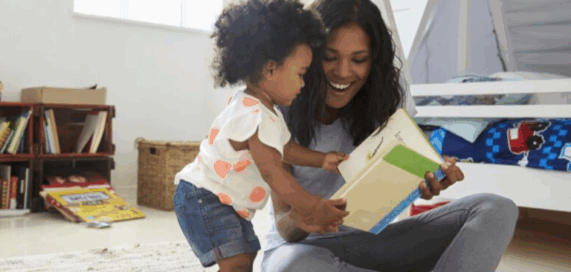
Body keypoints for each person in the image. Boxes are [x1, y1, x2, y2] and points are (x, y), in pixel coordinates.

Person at [260, 0, 520, 271]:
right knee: (294, 267)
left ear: (374, 61)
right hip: (303, 249)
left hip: (373, 243)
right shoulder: (278, 109)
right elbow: (284, 224)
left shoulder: (385, 101)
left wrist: (425, 182)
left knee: (495, 209)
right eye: (330, 56)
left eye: (358, 59)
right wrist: (304, 219)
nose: (343, 72)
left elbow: (391, 190)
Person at [173, 0, 352, 271]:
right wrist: (311, 203)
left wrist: (321, 159)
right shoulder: (255, 116)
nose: (304, 84)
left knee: (246, 256)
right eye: (301, 74)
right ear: (270, 70)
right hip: (206, 197)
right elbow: (274, 173)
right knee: (234, 262)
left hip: (224, 201)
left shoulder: (262, 110)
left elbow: (285, 149)